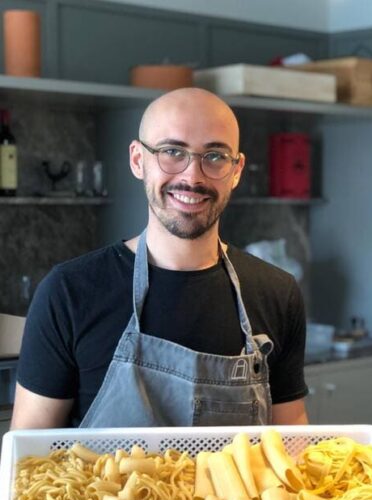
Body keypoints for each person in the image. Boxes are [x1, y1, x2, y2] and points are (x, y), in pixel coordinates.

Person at [12, 87, 308, 433]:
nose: (192, 177)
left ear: (237, 170)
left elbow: (292, 436)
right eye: (172, 151)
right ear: (138, 160)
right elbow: (28, 454)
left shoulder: (277, 292)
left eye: (214, 156)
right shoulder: (68, 292)